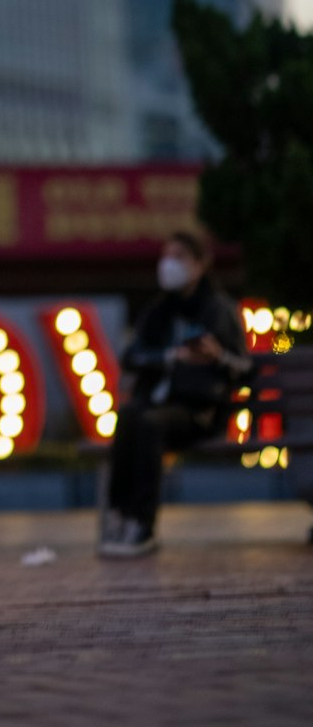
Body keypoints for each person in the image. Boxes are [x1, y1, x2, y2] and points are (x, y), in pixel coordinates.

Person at [99, 227, 252, 558]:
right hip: (154, 405)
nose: (169, 265)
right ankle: (120, 514)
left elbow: (244, 367)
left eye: (179, 257)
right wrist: (170, 356)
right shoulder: (157, 312)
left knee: (149, 422)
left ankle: (142, 525)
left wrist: (218, 356)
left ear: (200, 264)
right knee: (129, 416)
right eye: (165, 257)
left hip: (198, 412)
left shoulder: (218, 309)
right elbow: (131, 357)